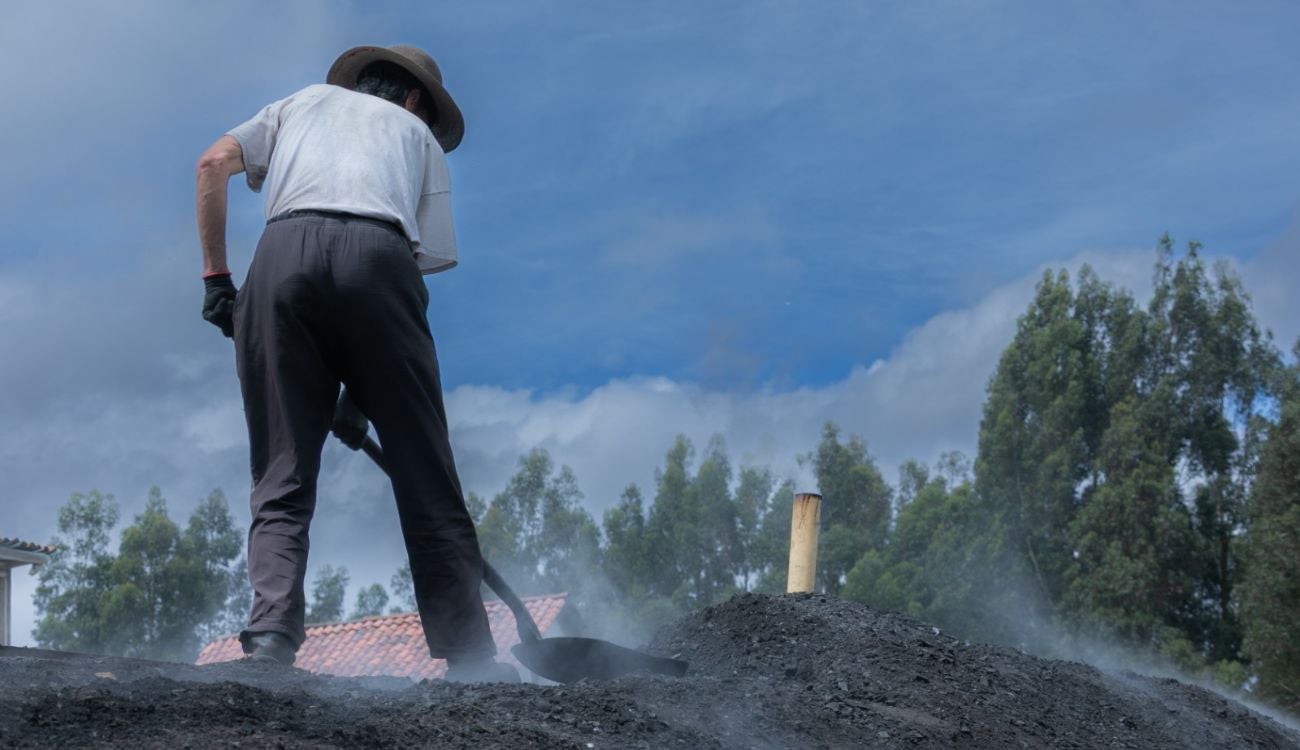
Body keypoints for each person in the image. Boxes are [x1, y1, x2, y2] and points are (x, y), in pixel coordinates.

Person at [195, 44, 517, 683]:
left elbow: (211, 165)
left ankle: (269, 643)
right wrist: (361, 394)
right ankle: (472, 658)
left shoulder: (298, 104)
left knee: (281, 469)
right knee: (424, 469)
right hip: (381, 261)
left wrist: (217, 280)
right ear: (415, 99)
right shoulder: (415, 136)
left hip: (281, 259)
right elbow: (398, 276)